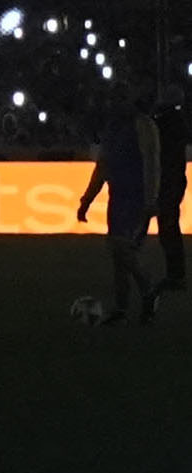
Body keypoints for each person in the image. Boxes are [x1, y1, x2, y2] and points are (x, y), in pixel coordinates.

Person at [76, 94, 161, 323]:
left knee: (122, 247)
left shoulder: (143, 125)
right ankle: (122, 309)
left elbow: (152, 162)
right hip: (118, 197)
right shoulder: (113, 128)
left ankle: (148, 288)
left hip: (137, 197)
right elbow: (102, 166)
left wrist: (152, 199)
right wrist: (87, 200)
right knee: (118, 254)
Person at [152, 85, 186, 291]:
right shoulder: (178, 123)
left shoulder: (165, 123)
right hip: (174, 180)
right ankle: (176, 274)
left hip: (167, 181)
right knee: (170, 227)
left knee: (168, 229)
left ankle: (175, 275)